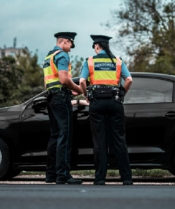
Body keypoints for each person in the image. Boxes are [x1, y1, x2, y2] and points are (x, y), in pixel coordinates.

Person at [79, 35, 133, 185]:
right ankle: (127, 178)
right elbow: (129, 80)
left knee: (100, 141)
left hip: (97, 103)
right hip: (115, 102)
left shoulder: (89, 61)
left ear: (97, 46)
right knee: (119, 140)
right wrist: (122, 93)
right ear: (106, 46)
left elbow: (82, 81)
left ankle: (100, 178)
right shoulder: (117, 60)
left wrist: (86, 95)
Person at [42, 32, 84, 185]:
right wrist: (78, 90)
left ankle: (51, 174)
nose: (71, 49)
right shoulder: (62, 55)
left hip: (52, 97)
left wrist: (67, 89)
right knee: (64, 136)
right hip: (61, 98)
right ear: (65, 41)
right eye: (71, 45)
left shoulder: (48, 56)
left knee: (55, 136)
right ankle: (63, 175)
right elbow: (64, 79)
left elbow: (50, 82)